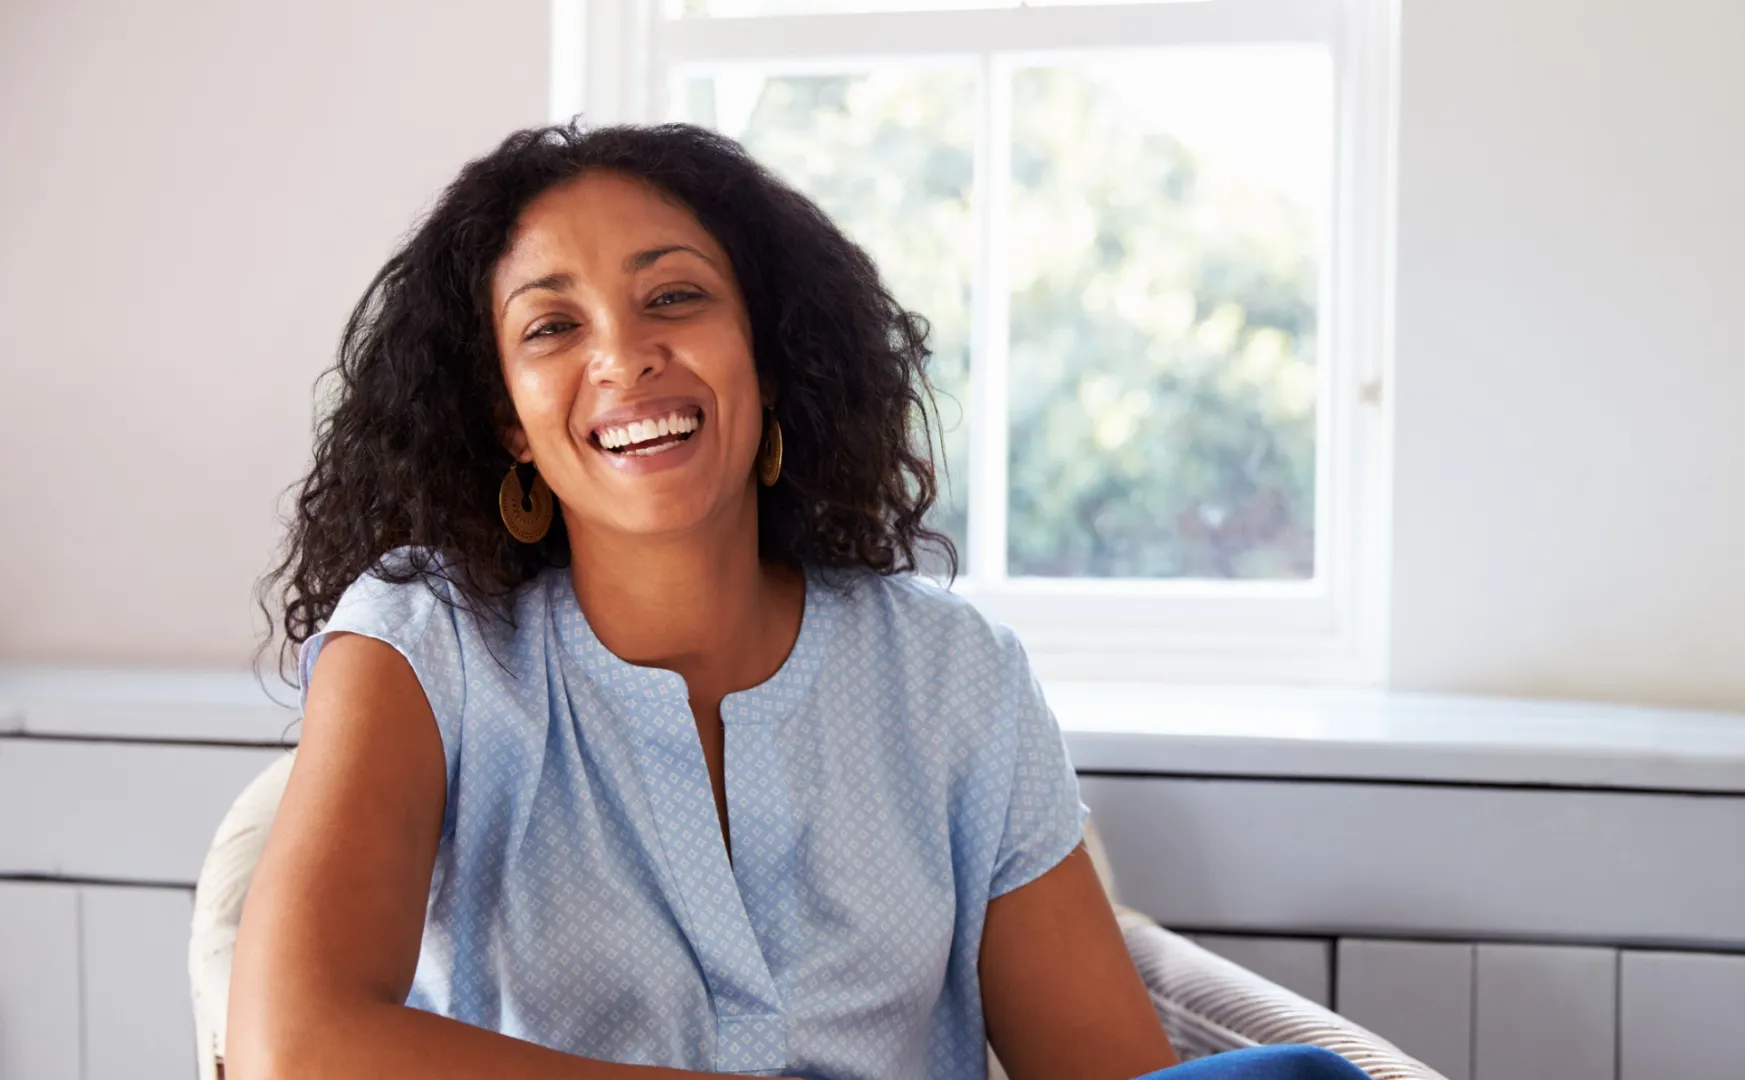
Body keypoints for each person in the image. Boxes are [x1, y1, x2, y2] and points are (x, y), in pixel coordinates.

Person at [227, 122, 1369, 1080]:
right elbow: (294, 1044)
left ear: (767, 361)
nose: (626, 356)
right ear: (506, 423)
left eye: (674, 295)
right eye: (552, 326)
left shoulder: (951, 674)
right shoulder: (425, 644)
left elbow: (1108, 1073)